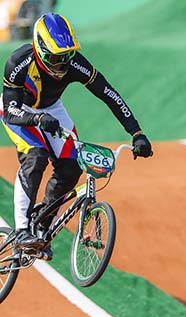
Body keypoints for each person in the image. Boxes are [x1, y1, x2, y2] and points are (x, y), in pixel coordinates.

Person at [0, 13, 152, 260]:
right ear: (39, 49)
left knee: (72, 167)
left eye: (66, 57)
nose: (61, 65)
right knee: (36, 156)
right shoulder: (18, 62)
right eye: (55, 58)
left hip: (52, 109)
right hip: (20, 110)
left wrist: (136, 132)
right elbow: (11, 110)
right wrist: (37, 119)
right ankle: (23, 229)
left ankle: (42, 226)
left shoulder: (75, 64)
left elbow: (109, 94)